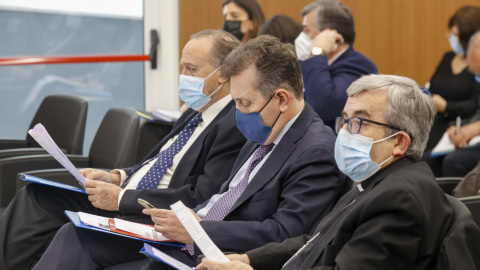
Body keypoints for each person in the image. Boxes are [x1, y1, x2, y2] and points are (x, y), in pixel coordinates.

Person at [32, 35, 346, 270]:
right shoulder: (264, 125)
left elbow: (286, 232)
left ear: (280, 98)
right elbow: (225, 196)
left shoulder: (315, 150)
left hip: (216, 250)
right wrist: (189, 219)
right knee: (75, 235)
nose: (237, 113)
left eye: (244, 103)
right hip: (185, 235)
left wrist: (196, 229)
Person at [0, 29, 248, 270]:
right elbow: (158, 163)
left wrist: (120, 198)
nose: (183, 76)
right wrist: (116, 176)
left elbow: (199, 196)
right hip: (126, 192)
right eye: (182, 67)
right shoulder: (197, 109)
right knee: (35, 196)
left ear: (223, 74)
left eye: (192, 69)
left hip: (149, 211)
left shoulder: (233, 125)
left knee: (73, 234)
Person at [197, 74, 455, 270]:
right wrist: (248, 258)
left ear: (399, 142)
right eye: (344, 120)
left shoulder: (398, 200)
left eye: (359, 123)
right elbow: (317, 241)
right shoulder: (376, 182)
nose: (343, 132)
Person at [294, 0, 378, 130]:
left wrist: (317, 52)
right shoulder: (315, 65)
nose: (301, 37)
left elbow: (323, 106)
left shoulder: (359, 65)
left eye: (307, 31)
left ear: (329, 35)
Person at [424, 5, 480, 151]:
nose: (452, 39)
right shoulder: (448, 57)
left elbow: (474, 105)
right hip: (433, 121)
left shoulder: (476, 64)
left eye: (457, 35)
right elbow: (432, 86)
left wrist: (446, 107)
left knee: (430, 158)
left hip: (459, 124)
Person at [426, 31, 480, 177]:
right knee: (428, 159)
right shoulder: (448, 57)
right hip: (468, 135)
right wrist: (460, 130)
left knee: (455, 162)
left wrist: (472, 130)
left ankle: (459, 200)